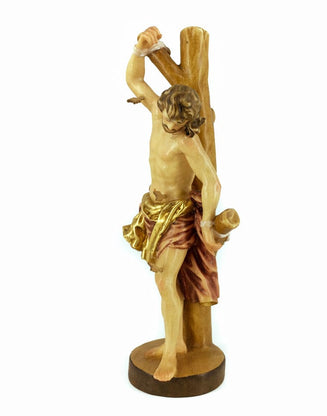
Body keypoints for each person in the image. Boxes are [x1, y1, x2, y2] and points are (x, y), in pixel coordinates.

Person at [123, 26, 222, 382]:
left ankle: (171, 353)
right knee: (162, 280)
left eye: (176, 123)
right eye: (165, 117)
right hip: (152, 209)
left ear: (187, 123)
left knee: (167, 281)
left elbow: (212, 182)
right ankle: (177, 341)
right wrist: (139, 50)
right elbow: (134, 80)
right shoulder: (157, 111)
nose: (167, 125)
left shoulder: (187, 142)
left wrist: (207, 223)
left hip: (177, 216)